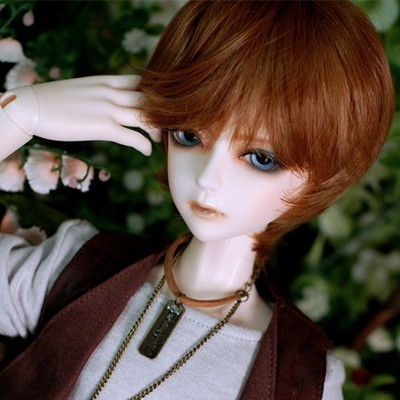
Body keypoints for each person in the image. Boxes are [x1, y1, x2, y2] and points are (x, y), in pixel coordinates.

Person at [0, 1, 394, 399]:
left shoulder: (303, 377)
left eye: (261, 158)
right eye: (189, 136)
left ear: (324, 174)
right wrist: (15, 118)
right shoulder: (76, 271)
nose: (207, 178)